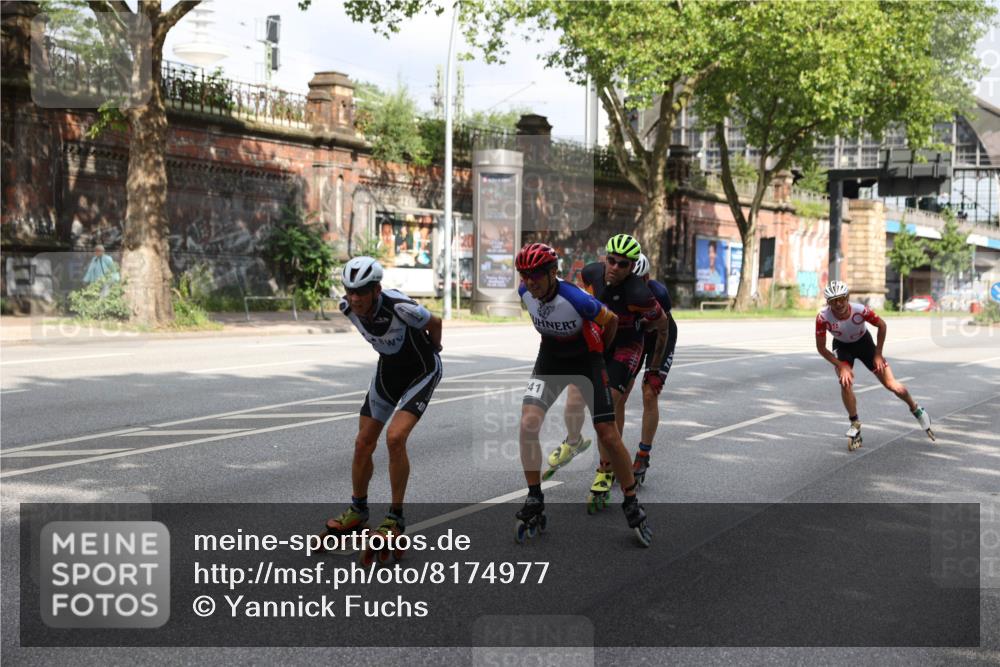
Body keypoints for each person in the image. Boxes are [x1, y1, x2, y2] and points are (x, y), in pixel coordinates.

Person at [514, 242, 652, 547]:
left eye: (536, 275)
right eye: (524, 275)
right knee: (527, 425)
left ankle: (630, 500)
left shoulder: (576, 299)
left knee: (606, 432)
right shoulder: (524, 293)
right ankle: (535, 497)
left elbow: (611, 321)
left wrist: (601, 352)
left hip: (587, 360)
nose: (529, 282)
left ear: (552, 273)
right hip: (550, 358)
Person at [320, 256, 444, 555]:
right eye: (349, 290)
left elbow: (435, 322)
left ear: (377, 289)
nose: (354, 298)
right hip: (388, 372)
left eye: (361, 291)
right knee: (363, 442)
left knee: (395, 437)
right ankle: (358, 510)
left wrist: (435, 348)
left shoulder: (400, 307)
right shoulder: (347, 308)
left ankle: (395, 517)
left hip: (421, 371)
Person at [549, 234, 669, 507]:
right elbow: (579, 303)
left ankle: (604, 470)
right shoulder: (591, 272)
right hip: (603, 340)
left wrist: (654, 367)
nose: (614, 267)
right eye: (611, 261)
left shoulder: (640, 293)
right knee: (576, 395)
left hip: (628, 347)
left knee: (608, 408)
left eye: (622, 264)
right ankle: (574, 440)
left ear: (631, 267)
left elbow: (662, 327)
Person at [815, 280, 933, 451]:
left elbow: (882, 325)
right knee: (845, 381)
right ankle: (855, 423)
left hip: (865, 344)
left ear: (847, 297)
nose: (839, 304)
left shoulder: (860, 310)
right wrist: (840, 365)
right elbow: (821, 347)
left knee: (892, 385)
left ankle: (916, 409)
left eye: (841, 299)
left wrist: (878, 354)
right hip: (842, 346)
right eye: (834, 301)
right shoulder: (823, 318)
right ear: (828, 302)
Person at [622, 253, 678, 485]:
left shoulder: (660, 294)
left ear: (647, 278)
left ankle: (643, 455)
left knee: (648, 393)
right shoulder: (617, 287)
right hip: (636, 336)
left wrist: (654, 370)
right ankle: (616, 455)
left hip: (659, 338)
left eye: (640, 281)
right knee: (620, 393)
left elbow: (661, 332)